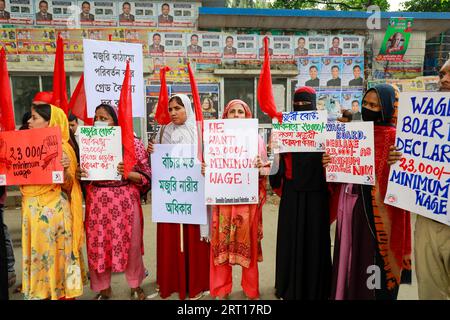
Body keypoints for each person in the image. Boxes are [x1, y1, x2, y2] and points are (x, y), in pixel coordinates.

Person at [324, 84, 412, 300]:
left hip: (381, 216)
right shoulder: (353, 133)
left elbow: (410, 175)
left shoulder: (397, 137)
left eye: (374, 105)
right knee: (354, 259)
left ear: (389, 108)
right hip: (353, 210)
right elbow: (340, 172)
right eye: (365, 103)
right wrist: (329, 162)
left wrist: (401, 161)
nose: (368, 108)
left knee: (376, 266)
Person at [388, 59, 450, 300]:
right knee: (431, 292)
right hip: (429, 220)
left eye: (449, 75)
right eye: (442, 74)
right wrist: (399, 159)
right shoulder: (420, 116)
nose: (443, 79)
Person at [78, 104, 151, 300]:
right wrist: (80, 173)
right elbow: (83, 176)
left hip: (125, 201)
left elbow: (146, 176)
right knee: (98, 246)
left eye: (104, 118)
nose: (98, 122)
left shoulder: (131, 143)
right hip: (98, 202)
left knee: (132, 246)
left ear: (116, 121)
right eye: (96, 118)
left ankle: (135, 285)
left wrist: (129, 173)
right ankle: (103, 289)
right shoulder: (89, 142)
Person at [269, 86, 331, 300]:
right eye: (297, 104)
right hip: (293, 193)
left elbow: (338, 158)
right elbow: (278, 166)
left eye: (306, 104)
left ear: (314, 106)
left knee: (315, 241)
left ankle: (315, 288)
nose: (301, 108)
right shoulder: (285, 129)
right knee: (290, 239)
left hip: (317, 193)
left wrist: (330, 158)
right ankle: (289, 285)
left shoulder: (326, 129)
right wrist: (276, 150)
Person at [147, 94, 209, 300]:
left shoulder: (200, 131)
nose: (173, 113)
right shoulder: (164, 131)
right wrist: (152, 152)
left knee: (193, 239)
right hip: (171, 198)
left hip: (193, 197)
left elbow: (208, 158)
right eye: (171, 109)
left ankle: (196, 282)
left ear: (188, 109)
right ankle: (172, 281)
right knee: (172, 239)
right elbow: (159, 163)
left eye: (177, 108)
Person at [21, 103, 86, 300]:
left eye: (34, 118)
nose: (29, 122)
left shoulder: (63, 147)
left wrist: (66, 169)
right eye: (30, 118)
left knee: (59, 260)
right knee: (40, 261)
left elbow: (69, 185)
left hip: (54, 216)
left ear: (50, 122)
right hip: (31, 214)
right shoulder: (25, 144)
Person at [208, 99, 269, 300]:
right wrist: (205, 170)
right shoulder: (215, 139)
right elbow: (208, 166)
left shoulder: (256, 139)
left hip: (246, 204)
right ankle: (221, 289)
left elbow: (266, 169)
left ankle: (251, 290)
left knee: (248, 246)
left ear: (247, 116)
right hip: (223, 203)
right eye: (232, 111)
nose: (236, 115)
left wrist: (261, 166)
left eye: (240, 112)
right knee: (220, 246)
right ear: (225, 116)